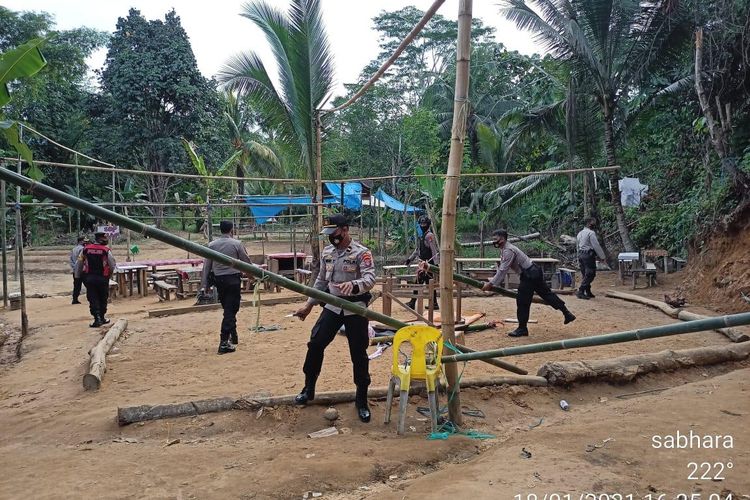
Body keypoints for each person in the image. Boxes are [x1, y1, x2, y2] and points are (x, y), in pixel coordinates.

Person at [292, 214, 376, 423]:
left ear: (345, 230)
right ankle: (309, 387)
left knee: (358, 353)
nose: (332, 238)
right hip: (332, 305)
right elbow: (321, 281)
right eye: (328, 234)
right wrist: (308, 305)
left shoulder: (361, 253)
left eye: (335, 233)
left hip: (355, 307)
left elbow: (370, 278)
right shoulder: (327, 252)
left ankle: (361, 399)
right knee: (315, 343)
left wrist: (355, 285)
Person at [482, 229, 575, 337]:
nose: (493, 241)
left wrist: (491, 284)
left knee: (522, 301)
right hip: (533, 271)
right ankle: (567, 313)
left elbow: (503, 270)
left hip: (529, 275)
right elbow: (502, 268)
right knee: (547, 294)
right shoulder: (506, 249)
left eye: (495, 239)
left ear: (502, 239)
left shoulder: (508, 250)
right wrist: (493, 282)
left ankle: (522, 328)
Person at [200, 220, 254, 354]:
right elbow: (246, 261)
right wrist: (251, 275)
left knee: (228, 308)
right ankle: (224, 342)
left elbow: (207, 266)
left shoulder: (212, 245)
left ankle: (233, 335)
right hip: (233, 280)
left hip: (219, 281)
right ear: (231, 230)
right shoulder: (236, 244)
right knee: (231, 310)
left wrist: (205, 285)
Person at [76, 232, 116, 328]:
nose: (106, 240)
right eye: (104, 238)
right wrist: (109, 276)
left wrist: (77, 276)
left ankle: (97, 318)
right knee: (103, 297)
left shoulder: (86, 249)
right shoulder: (106, 250)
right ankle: (101, 317)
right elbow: (112, 265)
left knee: (93, 298)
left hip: (89, 278)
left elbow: (79, 263)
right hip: (102, 278)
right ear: (99, 239)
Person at [405, 215, 440, 310]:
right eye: (421, 224)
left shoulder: (429, 236)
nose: (422, 225)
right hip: (422, 264)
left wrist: (435, 264)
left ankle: (413, 302)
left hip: (428, 264)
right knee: (427, 284)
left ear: (428, 224)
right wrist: (410, 259)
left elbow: (434, 251)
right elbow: (418, 250)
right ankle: (434, 303)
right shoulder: (422, 236)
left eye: (424, 224)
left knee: (420, 283)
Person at [576, 217, 606, 299]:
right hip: (588, 255)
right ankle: (581, 291)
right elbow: (596, 245)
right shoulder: (591, 233)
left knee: (585, 274)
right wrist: (602, 256)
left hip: (581, 254)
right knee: (590, 273)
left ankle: (588, 291)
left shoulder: (580, 233)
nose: (594, 224)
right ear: (589, 223)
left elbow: (577, 246)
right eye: (593, 222)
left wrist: (578, 255)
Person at [69, 236, 87, 305]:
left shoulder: (73, 249)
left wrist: (74, 267)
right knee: (88, 284)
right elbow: (82, 260)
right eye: (84, 241)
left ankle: (75, 299)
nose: (85, 242)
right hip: (82, 270)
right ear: (81, 241)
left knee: (76, 285)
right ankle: (91, 298)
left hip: (75, 270)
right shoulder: (83, 249)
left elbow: (71, 260)